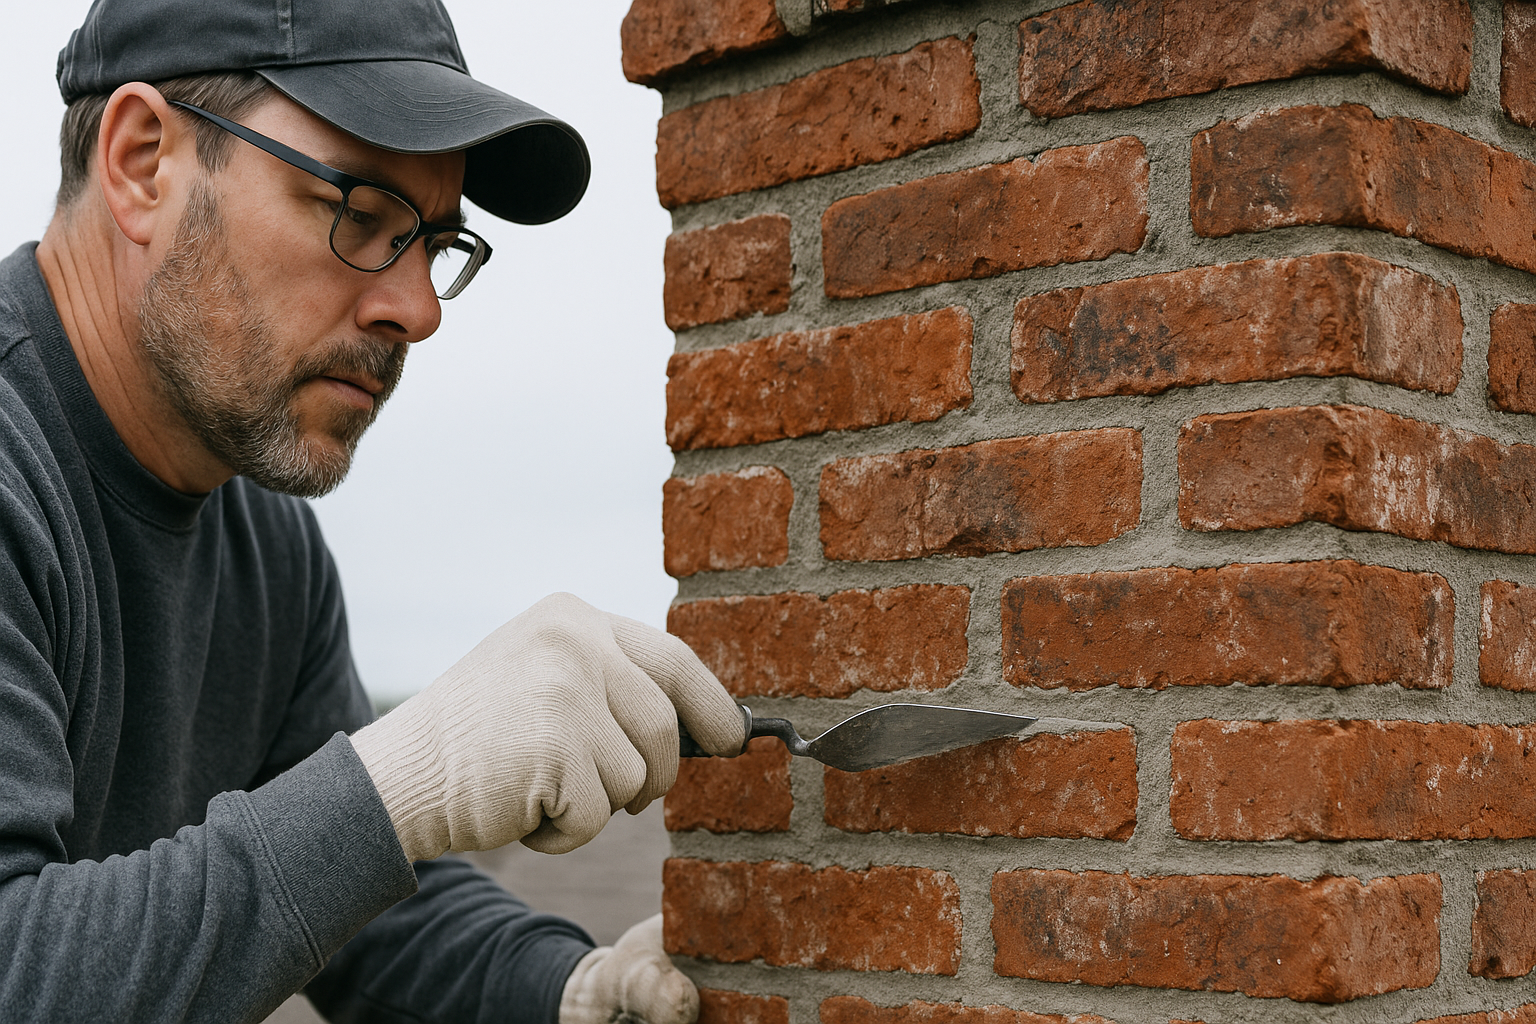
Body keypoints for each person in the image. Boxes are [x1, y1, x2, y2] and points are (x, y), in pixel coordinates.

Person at [0, 0, 749, 1020]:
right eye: (359, 214)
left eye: (435, 243)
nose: (420, 309)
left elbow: (358, 905)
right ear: (142, 162)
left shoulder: (267, 548)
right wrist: (404, 777)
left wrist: (563, 989)